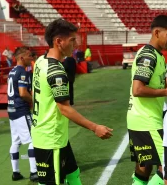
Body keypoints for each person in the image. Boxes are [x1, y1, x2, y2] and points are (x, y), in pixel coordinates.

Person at [31, 18, 113, 185]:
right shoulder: (56, 72)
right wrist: (95, 127)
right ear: (59, 41)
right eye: (73, 40)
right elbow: (65, 109)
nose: (76, 45)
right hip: (50, 140)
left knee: (73, 173)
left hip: (53, 135)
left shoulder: (41, 61)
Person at [128, 15, 167, 185]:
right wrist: (166, 92)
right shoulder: (149, 56)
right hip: (147, 121)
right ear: (157, 32)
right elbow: (138, 89)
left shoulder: (157, 55)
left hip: (143, 118)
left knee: (144, 166)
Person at [7, 46, 38, 182]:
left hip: (11, 111)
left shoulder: (12, 71)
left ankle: (16, 172)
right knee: (33, 140)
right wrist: (34, 102)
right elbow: (23, 93)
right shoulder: (22, 72)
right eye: (29, 55)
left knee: (15, 142)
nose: (31, 58)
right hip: (21, 110)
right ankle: (34, 172)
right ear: (21, 57)